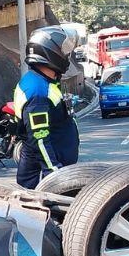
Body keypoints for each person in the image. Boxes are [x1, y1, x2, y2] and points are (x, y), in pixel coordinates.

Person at [13, 26, 80, 189]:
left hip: (54, 164)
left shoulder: (43, 82)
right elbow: (40, 139)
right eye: (64, 52)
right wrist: (54, 172)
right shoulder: (38, 91)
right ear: (51, 53)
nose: (67, 56)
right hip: (50, 173)